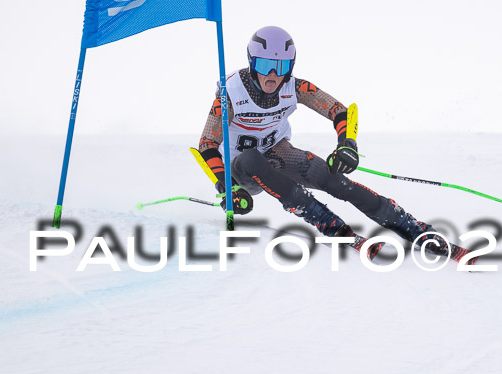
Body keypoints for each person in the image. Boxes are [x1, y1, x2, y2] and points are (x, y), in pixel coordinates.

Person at [198, 25, 473, 263]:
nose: (271, 75)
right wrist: (226, 187)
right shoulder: (230, 93)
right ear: (251, 62)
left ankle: (415, 229)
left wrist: (347, 145)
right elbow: (207, 143)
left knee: (334, 180)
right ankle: (331, 226)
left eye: (280, 67)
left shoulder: (294, 87)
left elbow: (339, 111)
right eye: (263, 65)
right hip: (238, 172)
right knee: (249, 157)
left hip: (277, 154)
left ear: (290, 67)